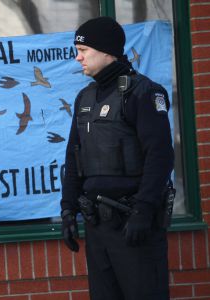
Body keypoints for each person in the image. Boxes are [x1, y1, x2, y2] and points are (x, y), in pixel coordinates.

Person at [60, 17, 174, 300]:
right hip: (98, 229)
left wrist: (144, 211)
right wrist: (67, 210)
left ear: (106, 51)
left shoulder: (143, 93)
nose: (78, 58)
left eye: (83, 51)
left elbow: (159, 157)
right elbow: (74, 158)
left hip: (134, 226)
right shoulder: (85, 98)